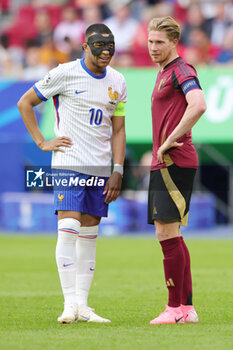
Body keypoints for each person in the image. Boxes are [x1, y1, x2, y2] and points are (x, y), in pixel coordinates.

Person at [17, 23, 127, 324]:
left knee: (90, 233)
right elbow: (25, 102)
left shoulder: (118, 81)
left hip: (100, 167)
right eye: (99, 44)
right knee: (69, 227)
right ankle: (68, 305)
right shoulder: (64, 73)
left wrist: (117, 169)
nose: (106, 50)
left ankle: (83, 305)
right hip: (68, 161)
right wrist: (41, 142)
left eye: (111, 44)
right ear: (85, 46)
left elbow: (118, 129)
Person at [147, 16, 206, 325]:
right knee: (172, 234)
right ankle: (186, 308)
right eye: (150, 41)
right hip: (166, 159)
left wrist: (172, 138)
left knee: (166, 231)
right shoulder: (164, 72)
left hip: (174, 159)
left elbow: (198, 104)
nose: (153, 47)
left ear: (173, 43)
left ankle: (174, 309)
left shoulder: (182, 70)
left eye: (160, 42)